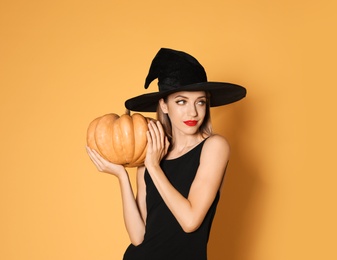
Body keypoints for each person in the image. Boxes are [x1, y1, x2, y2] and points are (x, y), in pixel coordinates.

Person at [86, 48, 246, 260]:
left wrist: (153, 166)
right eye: (181, 101)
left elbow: (190, 222)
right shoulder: (148, 151)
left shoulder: (215, 147)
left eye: (200, 102)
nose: (193, 112)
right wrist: (122, 176)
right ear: (164, 104)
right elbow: (138, 237)